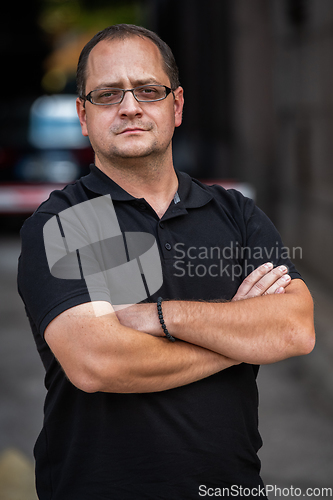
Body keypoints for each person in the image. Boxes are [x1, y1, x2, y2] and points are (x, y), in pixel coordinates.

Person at [18, 24, 315, 500]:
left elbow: (294, 329)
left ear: (176, 106)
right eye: (108, 94)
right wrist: (240, 338)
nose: (130, 107)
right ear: (82, 114)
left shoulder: (234, 213)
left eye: (148, 90)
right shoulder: (68, 221)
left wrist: (157, 316)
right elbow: (99, 362)